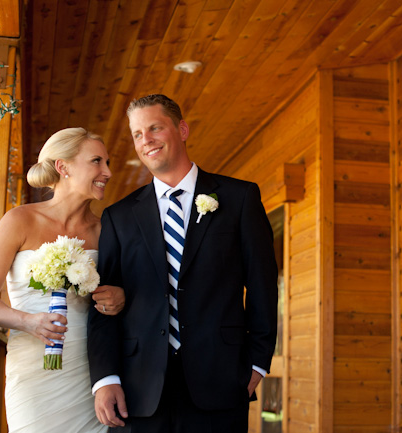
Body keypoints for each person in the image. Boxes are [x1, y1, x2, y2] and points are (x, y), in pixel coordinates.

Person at [88, 94, 278, 432]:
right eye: (137, 134)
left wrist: (259, 363)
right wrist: (105, 378)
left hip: (221, 381)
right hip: (138, 388)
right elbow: (101, 301)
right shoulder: (119, 217)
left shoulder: (240, 198)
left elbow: (263, 285)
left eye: (155, 128)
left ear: (182, 129)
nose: (145, 140)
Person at [0, 127, 125, 433]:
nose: (107, 172)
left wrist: (121, 296)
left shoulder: (106, 230)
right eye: (96, 161)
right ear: (63, 167)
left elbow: (124, 293)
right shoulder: (19, 220)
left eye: (107, 162)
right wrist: (28, 321)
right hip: (32, 369)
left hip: (88, 371)